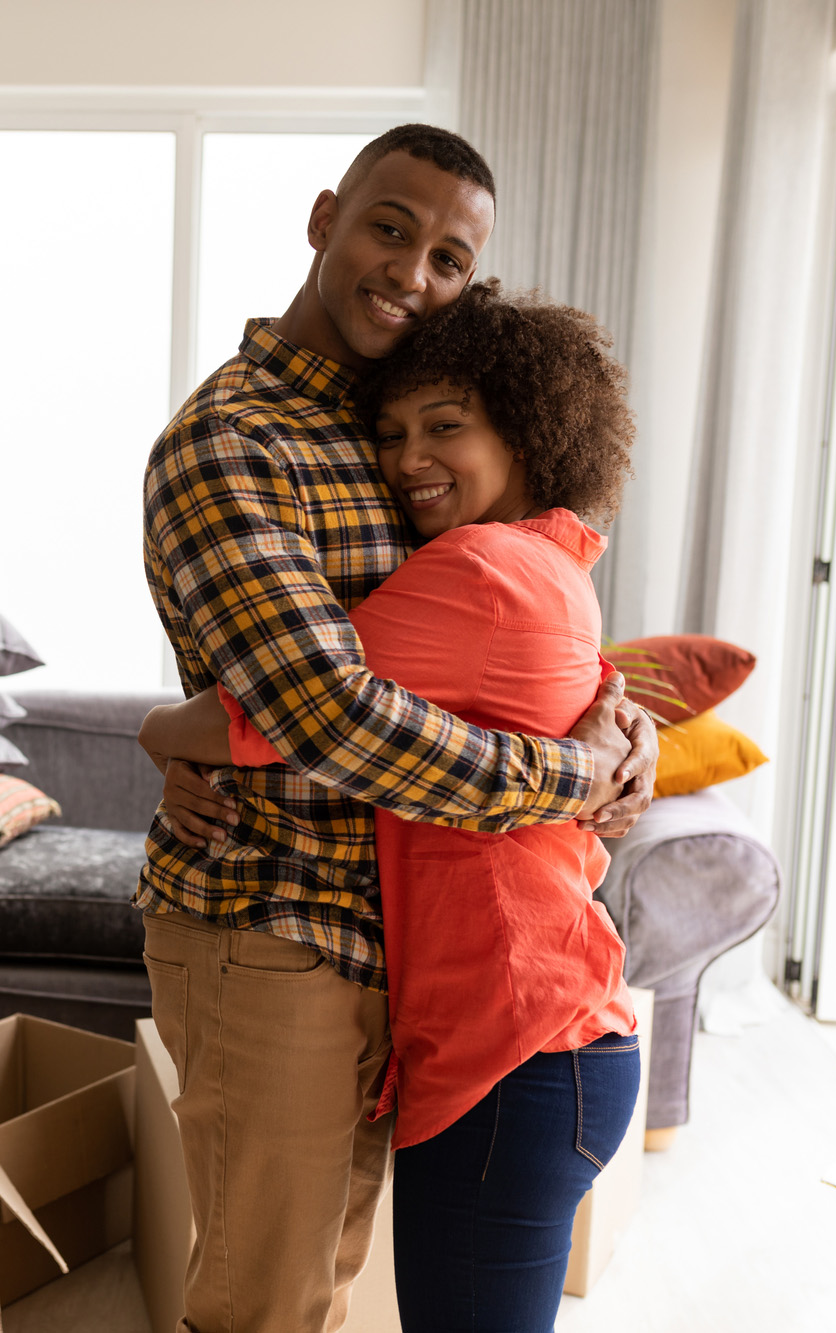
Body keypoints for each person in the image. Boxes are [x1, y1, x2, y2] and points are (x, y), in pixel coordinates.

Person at [138, 123, 656, 1333]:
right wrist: (569, 774)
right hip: (271, 923)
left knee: (323, 1282)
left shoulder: (396, 424)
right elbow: (324, 709)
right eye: (388, 229)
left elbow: (496, 630)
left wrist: (616, 717)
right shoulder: (231, 444)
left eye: (449, 259)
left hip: (394, 938)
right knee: (262, 1300)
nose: (411, 275)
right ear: (324, 218)